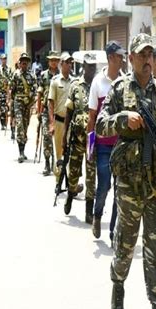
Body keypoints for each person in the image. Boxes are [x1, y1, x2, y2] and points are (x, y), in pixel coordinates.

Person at [96, 33, 156, 309]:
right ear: (130, 58)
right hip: (128, 186)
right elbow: (100, 126)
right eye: (141, 55)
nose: (146, 59)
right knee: (125, 248)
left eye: (150, 54)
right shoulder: (118, 90)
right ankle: (117, 286)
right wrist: (121, 118)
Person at [87, 40, 125, 241]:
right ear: (110, 58)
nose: (122, 60)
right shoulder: (97, 82)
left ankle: (113, 231)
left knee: (120, 189)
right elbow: (92, 116)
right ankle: (97, 214)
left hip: (121, 146)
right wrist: (89, 146)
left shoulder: (124, 81)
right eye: (119, 56)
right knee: (104, 186)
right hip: (102, 145)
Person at [62, 54, 97, 224]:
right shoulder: (75, 85)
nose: (92, 69)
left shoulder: (98, 85)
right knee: (73, 172)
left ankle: (89, 211)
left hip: (92, 139)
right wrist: (64, 136)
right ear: (84, 66)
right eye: (89, 66)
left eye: (94, 66)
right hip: (76, 138)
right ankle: (70, 195)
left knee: (91, 175)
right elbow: (69, 111)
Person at [48, 52, 76, 181]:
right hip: (59, 122)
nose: (69, 65)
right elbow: (51, 103)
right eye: (67, 62)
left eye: (71, 63)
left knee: (71, 153)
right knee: (59, 152)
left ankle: (71, 184)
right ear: (61, 64)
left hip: (72, 123)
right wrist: (52, 123)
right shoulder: (55, 81)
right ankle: (58, 181)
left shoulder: (75, 82)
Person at [10, 52, 37, 163]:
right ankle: (20, 152)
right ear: (20, 63)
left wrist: (32, 102)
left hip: (28, 104)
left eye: (26, 61)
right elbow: (12, 90)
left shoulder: (32, 75)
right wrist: (11, 103)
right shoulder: (16, 75)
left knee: (25, 126)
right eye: (23, 61)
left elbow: (35, 90)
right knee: (20, 125)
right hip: (18, 103)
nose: (24, 63)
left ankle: (23, 149)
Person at [36, 50, 60, 176]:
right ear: (49, 61)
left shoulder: (63, 75)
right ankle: (47, 162)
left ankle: (57, 162)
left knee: (59, 138)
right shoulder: (43, 75)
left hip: (59, 111)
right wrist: (38, 111)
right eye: (52, 60)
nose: (54, 62)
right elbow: (39, 93)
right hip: (46, 110)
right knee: (46, 137)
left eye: (56, 60)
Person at [0, 53, 13, 130]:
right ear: (1, 60)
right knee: (1, 109)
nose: (4, 60)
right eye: (3, 59)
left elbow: (11, 79)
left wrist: (10, 90)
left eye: (5, 59)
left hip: (7, 91)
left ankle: (5, 123)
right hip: (1, 91)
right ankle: (2, 123)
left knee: (7, 108)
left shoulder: (9, 69)